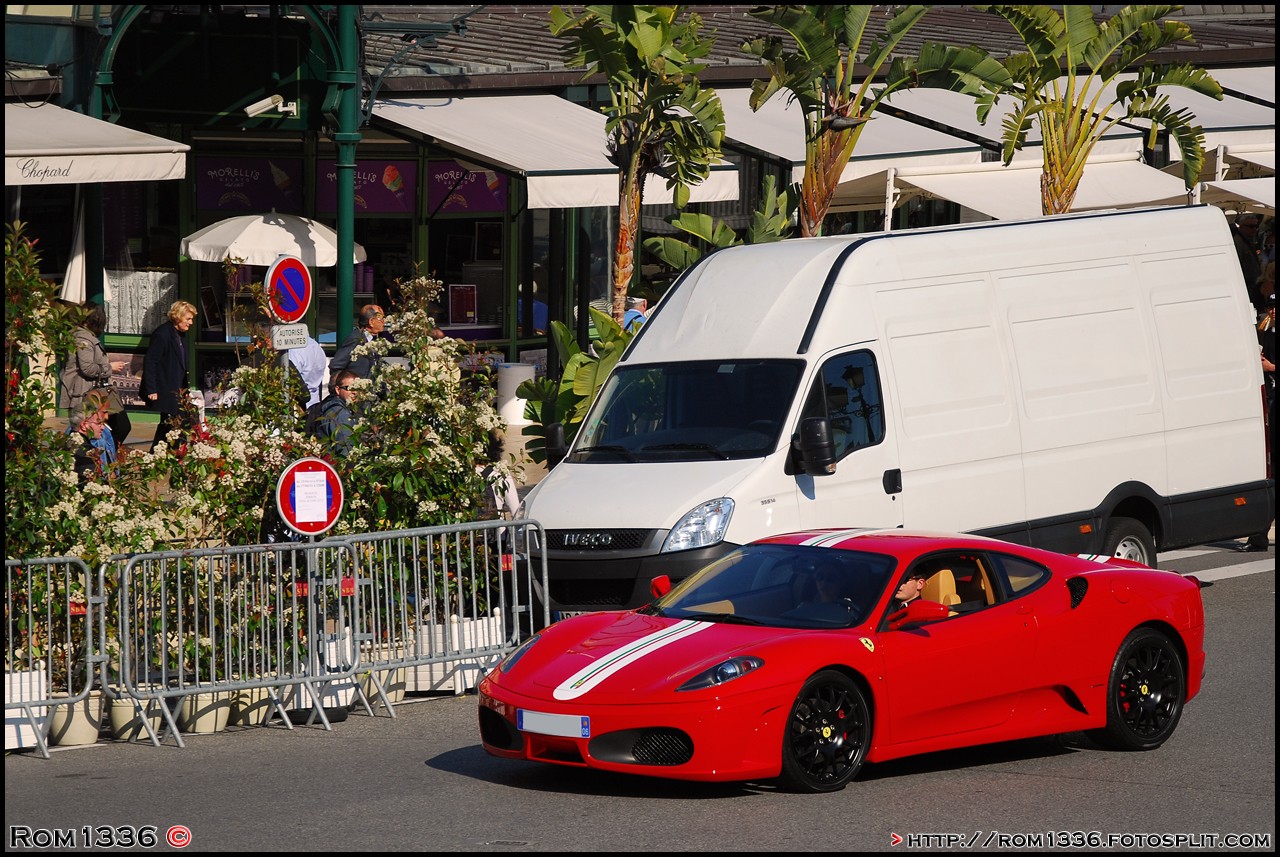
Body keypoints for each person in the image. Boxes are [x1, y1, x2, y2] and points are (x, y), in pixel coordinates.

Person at [60, 301, 131, 445]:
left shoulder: (85, 337)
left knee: (115, 426)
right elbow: (87, 368)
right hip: (86, 392)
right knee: (85, 429)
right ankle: (85, 456)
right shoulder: (83, 339)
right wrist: (109, 367)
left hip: (97, 392)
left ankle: (105, 456)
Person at [1243, 284, 1275, 553]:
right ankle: (1259, 536)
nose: (1273, 311)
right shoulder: (1266, 330)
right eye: (1271, 307)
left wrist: (1271, 366)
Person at [140, 300, 197, 451]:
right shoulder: (162, 334)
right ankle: (166, 455)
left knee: (175, 424)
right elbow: (151, 362)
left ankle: (169, 454)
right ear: (178, 317)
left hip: (178, 389)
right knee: (171, 424)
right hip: (165, 388)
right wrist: (151, 389)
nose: (191, 323)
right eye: (188, 319)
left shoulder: (180, 335)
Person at [66, 389, 117, 482]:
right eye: (104, 412)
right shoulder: (86, 450)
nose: (107, 417)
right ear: (84, 424)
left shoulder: (105, 431)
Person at [329, 304, 388, 379]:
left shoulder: (373, 340)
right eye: (381, 318)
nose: (384, 322)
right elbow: (336, 365)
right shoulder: (355, 338)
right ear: (371, 322)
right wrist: (348, 384)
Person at [311, 369, 360, 457]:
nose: (355, 392)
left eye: (358, 388)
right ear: (337, 389)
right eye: (349, 388)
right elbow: (346, 448)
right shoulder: (341, 414)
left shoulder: (331, 406)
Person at [287, 333, 329, 409]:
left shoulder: (294, 349)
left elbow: (292, 378)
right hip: (314, 400)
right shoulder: (316, 346)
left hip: (300, 404)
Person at [1232, 213, 1263, 314]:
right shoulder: (1238, 242)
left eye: (1256, 226)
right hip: (1247, 287)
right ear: (1241, 226)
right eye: (1251, 226)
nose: (1254, 229)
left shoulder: (1249, 241)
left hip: (1254, 286)